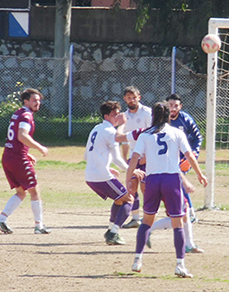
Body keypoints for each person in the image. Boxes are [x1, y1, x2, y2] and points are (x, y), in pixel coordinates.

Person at [126, 101, 207, 278]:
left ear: (153, 116)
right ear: (169, 116)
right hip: (171, 179)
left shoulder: (145, 135)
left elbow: (134, 159)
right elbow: (189, 156)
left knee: (146, 221)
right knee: (178, 222)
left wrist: (128, 180)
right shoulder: (177, 133)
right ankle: (180, 265)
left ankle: (137, 260)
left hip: (153, 179)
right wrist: (200, 174)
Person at [0, 88, 50, 234]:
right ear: (26, 101)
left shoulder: (18, 113)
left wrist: (27, 152)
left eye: (38, 100)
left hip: (9, 156)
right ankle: (39, 226)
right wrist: (39, 147)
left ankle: (1, 220)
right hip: (17, 158)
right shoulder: (26, 115)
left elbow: (16, 138)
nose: (37, 103)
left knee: (21, 192)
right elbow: (22, 136)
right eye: (34, 100)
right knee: (34, 191)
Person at [85, 101, 141, 245]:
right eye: (114, 114)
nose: (118, 117)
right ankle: (114, 233)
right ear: (106, 116)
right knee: (129, 199)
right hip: (101, 176)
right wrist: (132, 169)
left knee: (119, 199)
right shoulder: (111, 132)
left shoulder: (96, 128)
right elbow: (117, 158)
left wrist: (105, 166)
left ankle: (110, 230)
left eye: (118, 113)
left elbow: (87, 155)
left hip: (91, 175)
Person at [119, 86, 152, 229]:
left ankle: (147, 217)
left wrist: (146, 155)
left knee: (146, 188)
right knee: (131, 187)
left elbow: (152, 134)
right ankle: (135, 218)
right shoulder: (125, 116)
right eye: (128, 97)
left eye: (134, 97)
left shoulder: (147, 113)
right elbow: (125, 138)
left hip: (145, 155)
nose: (131, 100)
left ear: (139, 97)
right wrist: (124, 157)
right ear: (124, 99)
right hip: (133, 156)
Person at [167, 94, 202, 224]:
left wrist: (193, 155)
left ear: (180, 107)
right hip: (167, 157)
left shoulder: (186, 119)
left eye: (176, 106)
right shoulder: (163, 120)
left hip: (183, 159)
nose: (173, 108)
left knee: (179, 182)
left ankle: (190, 213)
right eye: (170, 105)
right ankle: (178, 211)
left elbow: (198, 137)